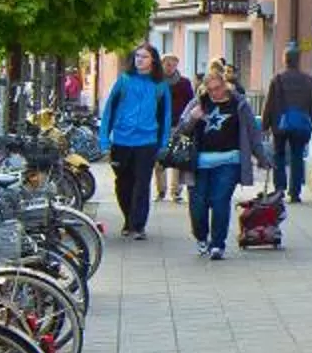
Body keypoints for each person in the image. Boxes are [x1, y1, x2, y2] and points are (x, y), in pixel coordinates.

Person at [176, 65, 270, 261]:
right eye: (209, 90)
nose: (214, 93)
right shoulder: (198, 103)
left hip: (229, 161)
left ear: (225, 85)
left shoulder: (239, 104)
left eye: (217, 88)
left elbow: (253, 134)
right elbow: (181, 131)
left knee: (220, 200)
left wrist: (262, 157)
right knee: (198, 205)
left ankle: (218, 244)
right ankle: (201, 238)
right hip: (199, 163)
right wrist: (193, 119)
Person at [99, 47, 174, 241]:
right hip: (122, 141)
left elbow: (166, 116)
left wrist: (163, 144)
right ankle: (128, 219)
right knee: (123, 183)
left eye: (144, 57)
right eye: (137, 56)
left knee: (142, 183)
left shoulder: (160, 86)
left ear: (153, 61)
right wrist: (104, 142)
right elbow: (109, 111)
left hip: (147, 141)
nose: (139, 60)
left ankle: (138, 225)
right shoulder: (124, 81)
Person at [261, 43, 312, 204]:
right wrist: (309, 118)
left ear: (285, 59)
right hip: (300, 124)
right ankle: (295, 193)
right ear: (298, 60)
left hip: (280, 125)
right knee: (297, 156)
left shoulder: (277, 79)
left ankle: (280, 189)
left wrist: (265, 125)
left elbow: (269, 103)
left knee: (278, 156)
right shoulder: (308, 80)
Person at [158, 53, 196, 202]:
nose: (171, 68)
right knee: (159, 158)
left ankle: (176, 191)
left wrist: (187, 121)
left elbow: (191, 102)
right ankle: (161, 190)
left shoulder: (184, 83)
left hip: (179, 124)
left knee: (177, 157)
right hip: (160, 125)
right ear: (162, 65)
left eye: (174, 65)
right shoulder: (157, 82)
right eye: (168, 64)